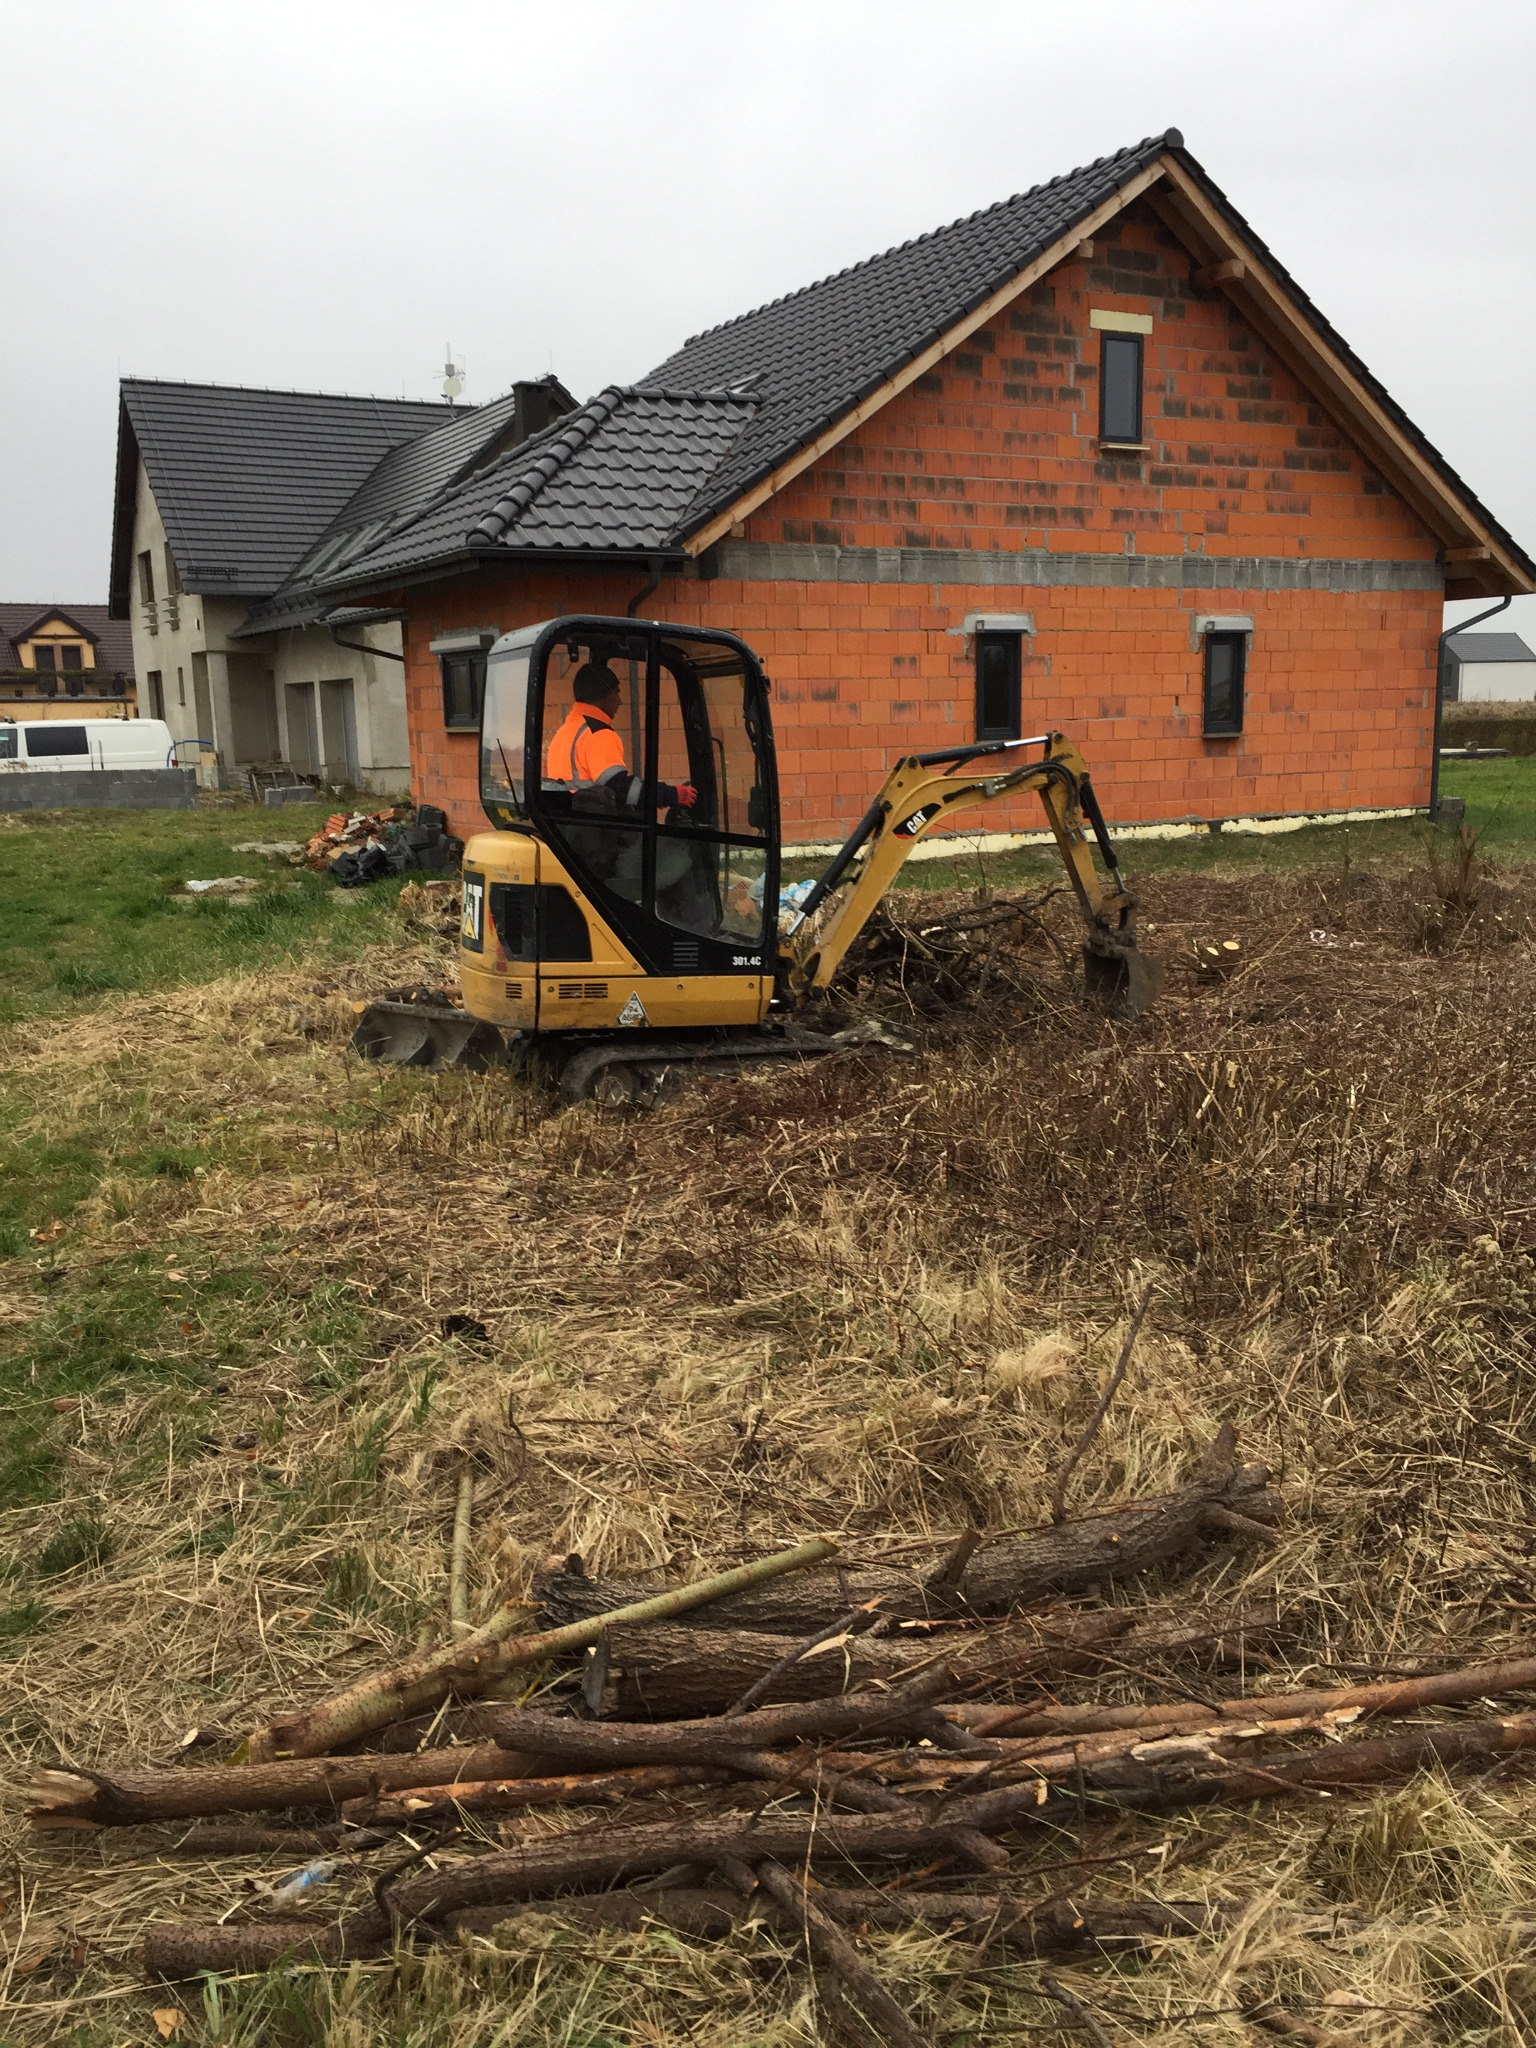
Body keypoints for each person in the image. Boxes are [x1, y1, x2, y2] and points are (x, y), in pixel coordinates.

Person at [546, 661, 696, 813]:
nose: (619, 701)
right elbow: (620, 788)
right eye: (616, 693)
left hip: (571, 819)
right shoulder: (598, 734)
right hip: (593, 823)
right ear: (601, 697)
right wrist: (672, 795)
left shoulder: (565, 732)